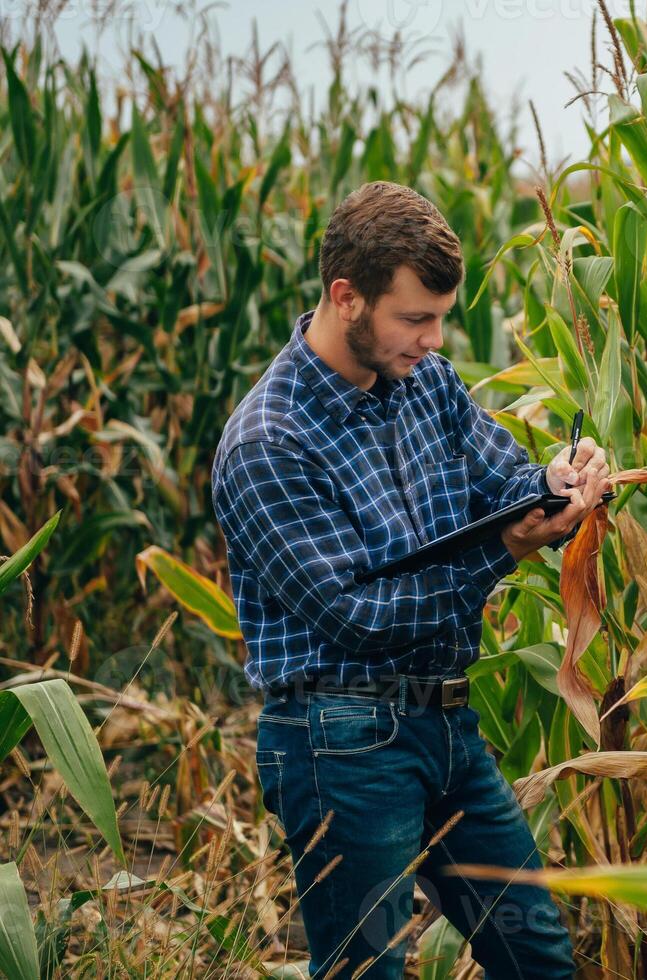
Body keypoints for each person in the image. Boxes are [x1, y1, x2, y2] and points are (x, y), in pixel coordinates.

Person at [211, 180, 603, 978]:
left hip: (447, 729)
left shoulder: (428, 384)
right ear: (347, 297)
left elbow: (502, 486)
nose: (431, 339)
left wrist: (560, 480)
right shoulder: (268, 443)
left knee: (539, 960)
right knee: (369, 972)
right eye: (414, 318)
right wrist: (506, 551)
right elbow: (358, 617)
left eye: (439, 319)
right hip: (343, 743)